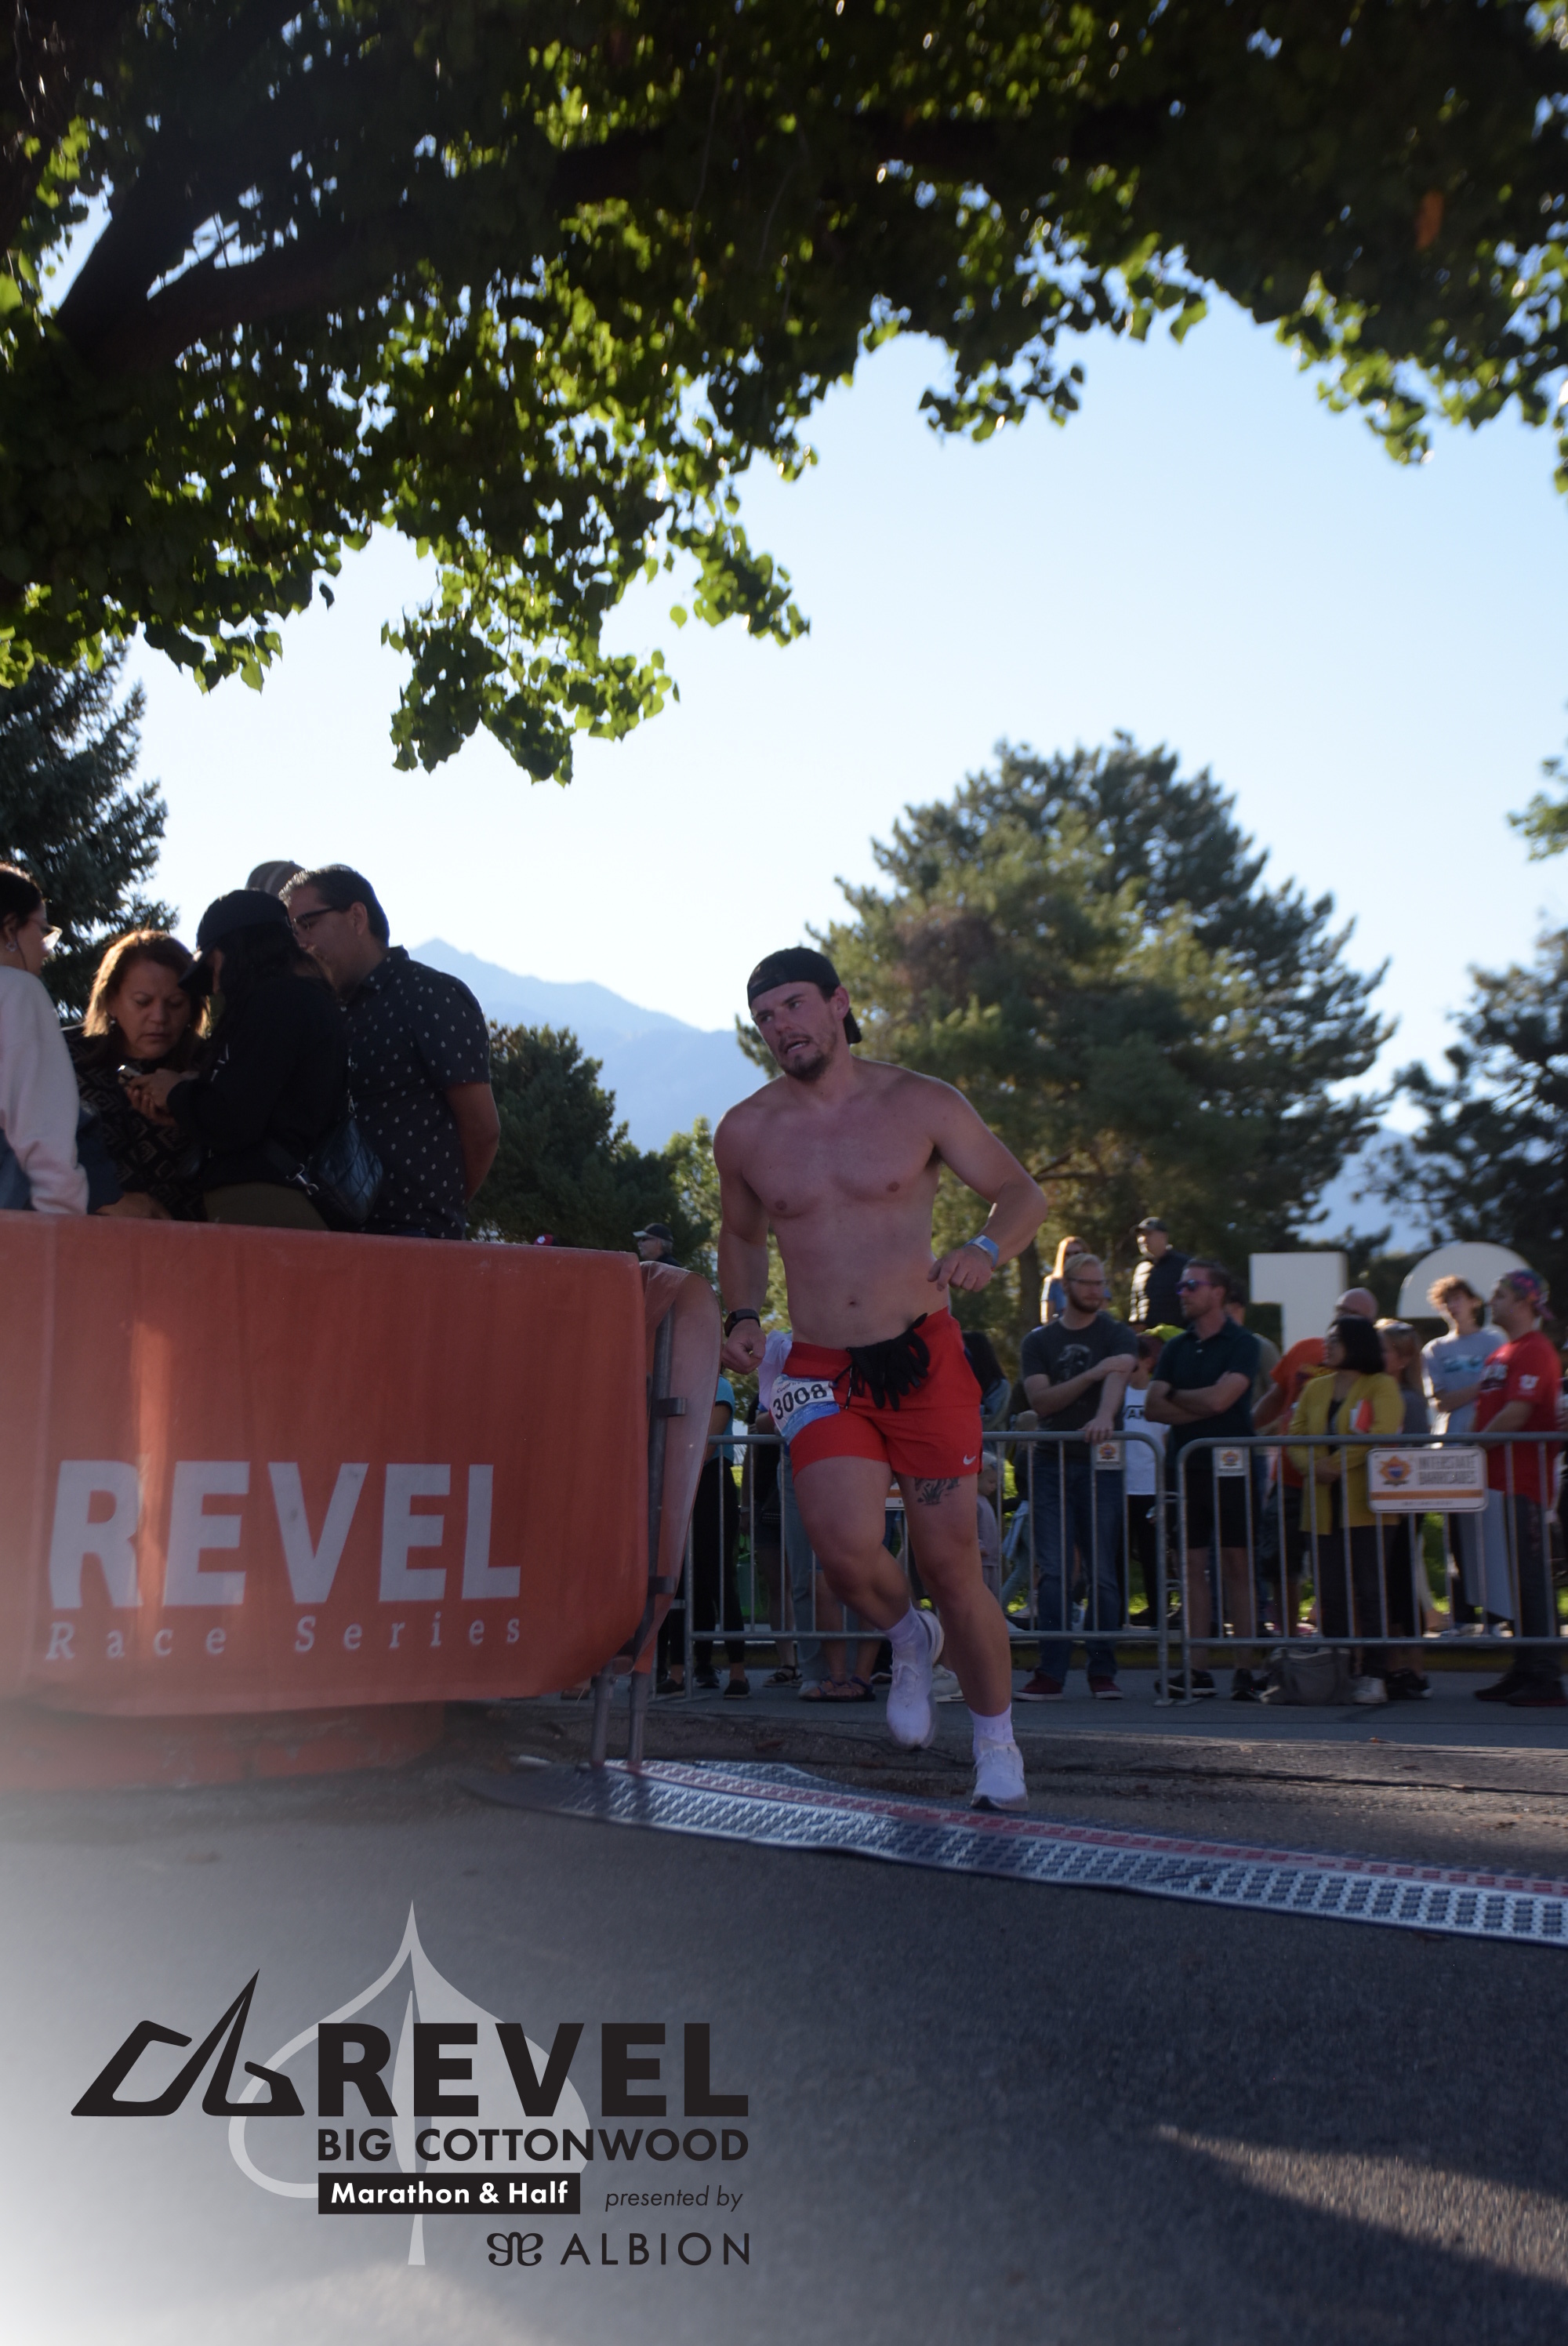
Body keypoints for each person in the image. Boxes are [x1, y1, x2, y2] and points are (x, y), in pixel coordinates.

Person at [715, 946, 1046, 1810]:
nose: (780, 1026)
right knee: (842, 1550)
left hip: (921, 1356)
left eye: (793, 1005)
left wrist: (984, 1247)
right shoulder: (747, 1130)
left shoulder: (920, 1101)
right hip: (820, 1365)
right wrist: (741, 1316)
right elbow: (742, 1236)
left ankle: (995, 1742)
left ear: (838, 1003)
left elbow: (1020, 1194)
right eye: (764, 1018)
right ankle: (907, 1637)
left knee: (950, 1560)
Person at [283, 864, 498, 1238]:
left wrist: (438, 1208)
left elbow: (482, 1129)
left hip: (414, 1238)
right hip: (335, 1237)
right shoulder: (323, 1011)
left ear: (356, 917)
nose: (300, 942)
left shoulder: (428, 994)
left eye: (308, 924)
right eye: (293, 932)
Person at [124, 890, 347, 1228]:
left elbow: (235, 1118)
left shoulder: (275, 1004)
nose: (215, 986)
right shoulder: (307, 1001)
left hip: (263, 1204)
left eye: (213, 967)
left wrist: (175, 1092)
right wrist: (191, 1105)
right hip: (286, 1199)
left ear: (237, 951)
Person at [1016, 1253, 1136, 1701]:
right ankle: (1051, 1671)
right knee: (1054, 1571)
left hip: (1101, 1464)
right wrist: (1092, 1373)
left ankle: (1102, 1669)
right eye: (1087, 1283)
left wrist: (1104, 1415)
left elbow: (1118, 1376)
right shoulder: (1039, 1341)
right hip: (1051, 1462)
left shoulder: (1116, 1332)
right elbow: (1042, 1402)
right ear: (1066, 1286)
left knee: (1103, 1569)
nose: (1096, 1291)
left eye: (1101, 1283)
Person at [1145, 1258, 1261, 1699]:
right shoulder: (1176, 1346)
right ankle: (1197, 1669)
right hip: (1186, 1468)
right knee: (1191, 1567)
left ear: (1218, 1292)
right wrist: (1201, 1404)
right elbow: (1154, 1406)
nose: (1183, 1293)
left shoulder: (1243, 1342)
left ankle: (1245, 1668)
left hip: (1232, 1468)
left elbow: (1221, 1401)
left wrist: (1179, 1396)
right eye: (1181, 1286)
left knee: (1237, 1565)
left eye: (1192, 1285)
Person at [1287, 1315, 1404, 1704]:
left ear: (1357, 1343)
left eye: (1335, 1339)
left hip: (1368, 1508)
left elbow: (1380, 1434)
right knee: (1331, 1594)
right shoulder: (1315, 1388)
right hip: (1322, 1508)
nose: (1328, 1345)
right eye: (1328, 1338)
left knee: (1371, 1591)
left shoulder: (1381, 1385)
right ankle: (1338, 1672)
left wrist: (1333, 1466)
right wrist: (1312, 1467)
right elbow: (1295, 1435)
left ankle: (1374, 1674)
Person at [1471, 1269, 1564, 1708]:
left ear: (1525, 1303)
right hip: (1498, 1481)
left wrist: (1470, 1446)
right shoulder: (1503, 1351)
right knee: (1515, 1582)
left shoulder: (1535, 1349)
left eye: (1500, 1294)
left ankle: (1545, 1675)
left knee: (1532, 1580)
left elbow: (1517, 1413)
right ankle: (1524, 1668)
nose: (1492, 1300)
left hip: (1525, 1483)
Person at [67, 932, 205, 1220]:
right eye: (143, 1002)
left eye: (175, 1003)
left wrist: (196, 1101)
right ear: (111, 1001)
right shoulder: (63, 1057)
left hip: (193, 1237)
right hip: (80, 1236)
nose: (159, 1017)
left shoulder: (213, 1065)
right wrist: (101, 1196)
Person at [0, 862, 88, 1214]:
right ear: (10, 928)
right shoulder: (17, 991)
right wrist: (60, 1221)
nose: (47, 949)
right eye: (42, 930)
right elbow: (42, 1128)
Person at [1421, 1275, 1506, 1628]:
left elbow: (1503, 1389)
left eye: (1458, 1298)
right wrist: (1481, 1386)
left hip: (1491, 1445)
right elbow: (1442, 1400)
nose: (1453, 1306)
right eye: (1447, 1301)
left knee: (1492, 1532)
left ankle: (1497, 1614)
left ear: (1474, 1302)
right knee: (1457, 1535)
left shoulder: (1494, 1341)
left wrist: (1475, 1392)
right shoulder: (1435, 1349)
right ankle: (1462, 1615)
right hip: (1454, 1447)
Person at [659, 1375, 749, 1698]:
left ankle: (738, 1671)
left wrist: (674, 1450)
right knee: (681, 1580)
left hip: (712, 1485)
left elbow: (706, 1444)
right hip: (681, 1484)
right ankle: (678, 1671)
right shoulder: (674, 1386)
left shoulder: (719, 1385)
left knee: (718, 1578)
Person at [1376, 1318, 1435, 1694]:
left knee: (1400, 1581)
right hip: (1383, 1501)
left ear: (1402, 1359)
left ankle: (1414, 1668)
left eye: (1383, 1350)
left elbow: (1410, 1455)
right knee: (1387, 1581)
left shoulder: (1409, 1401)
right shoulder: (1378, 1393)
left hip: (1402, 1502)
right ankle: (1394, 1664)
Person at [1120, 1331, 1168, 1629]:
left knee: (1153, 1557)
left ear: (1147, 1362)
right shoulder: (1117, 1395)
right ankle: (1116, 1618)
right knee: (1119, 1555)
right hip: (1120, 1488)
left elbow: (1166, 1440)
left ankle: (1159, 1617)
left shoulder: (1156, 1396)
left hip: (1152, 1489)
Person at [1128, 1218, 1189, 1330]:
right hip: (1146, 1336)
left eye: (1149, 1234)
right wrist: (1135, 1324)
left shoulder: (1184, 1265)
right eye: (1140, 1235)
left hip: (1176, 1334)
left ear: (1164, 1236)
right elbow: (1135, 1303)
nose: (1143, 1239)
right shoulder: (1141, 1269)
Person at [1040, 1233, 1088, 1324]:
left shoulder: (1095, 1281)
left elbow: (1101, 1313)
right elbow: (1047, 1318)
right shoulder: (1053, 1283)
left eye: (1077, 1253)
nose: (1072, 1257)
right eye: (1067, 1254)